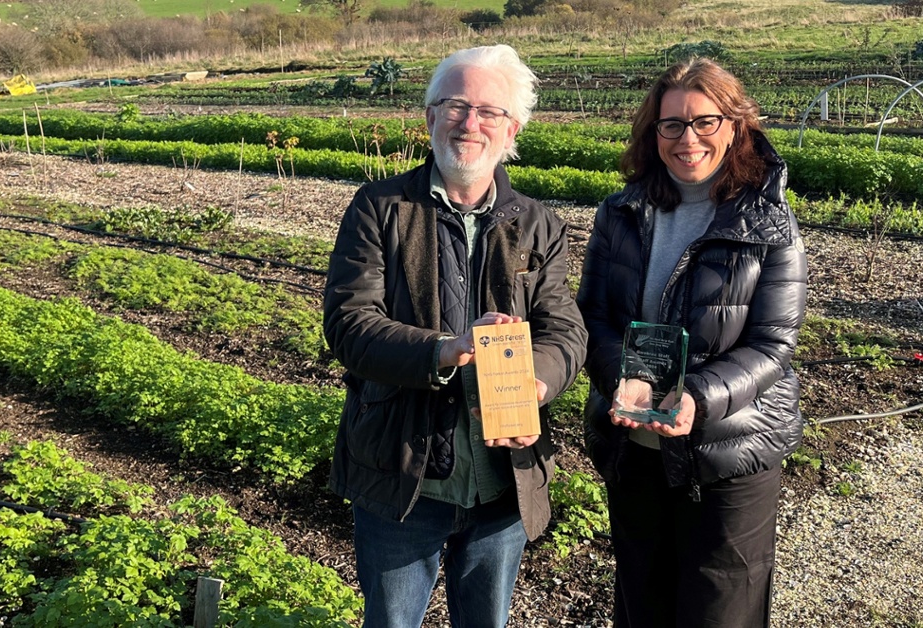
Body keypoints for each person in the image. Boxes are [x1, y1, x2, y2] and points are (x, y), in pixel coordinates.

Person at [323, 44, 586, 628]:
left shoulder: (538, 224)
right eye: (455, 106)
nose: (469, 124)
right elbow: (349, 324)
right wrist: (446, 349)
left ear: (512, 128)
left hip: (503, 484)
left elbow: (565, 329)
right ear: (429, 117)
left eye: (488, 111)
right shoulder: (379, 208)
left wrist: (535, 384)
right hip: (403, 477)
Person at [576, 57, 809, 627]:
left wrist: (699, 397)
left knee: (720, 608)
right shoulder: (622, 211)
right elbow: (593, 316)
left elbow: (773, 343)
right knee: (641, 603)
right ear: (652, 132)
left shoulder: (767, 220)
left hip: (729, 452)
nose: (688, 139)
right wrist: (617, 377)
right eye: (671, 124)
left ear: (734, 125)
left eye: (705, 122)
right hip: (637, 449)